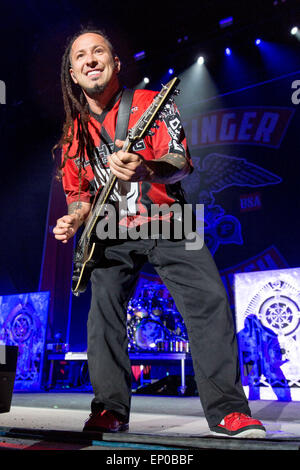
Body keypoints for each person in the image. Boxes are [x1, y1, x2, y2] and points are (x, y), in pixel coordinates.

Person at [53, 27, 266, 438]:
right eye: (80, 56)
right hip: (110, 229)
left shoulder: (151, 103)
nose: (90, 59)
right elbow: (79, 195)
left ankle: (228, 411)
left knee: (209, 302)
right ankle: (109, 410)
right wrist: (73, 218)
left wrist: (147, 169)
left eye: (99, 52)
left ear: (116, 65)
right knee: (103, 312)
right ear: (74, 75)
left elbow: (182, 162)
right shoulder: (72, 136)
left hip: (171, 219)